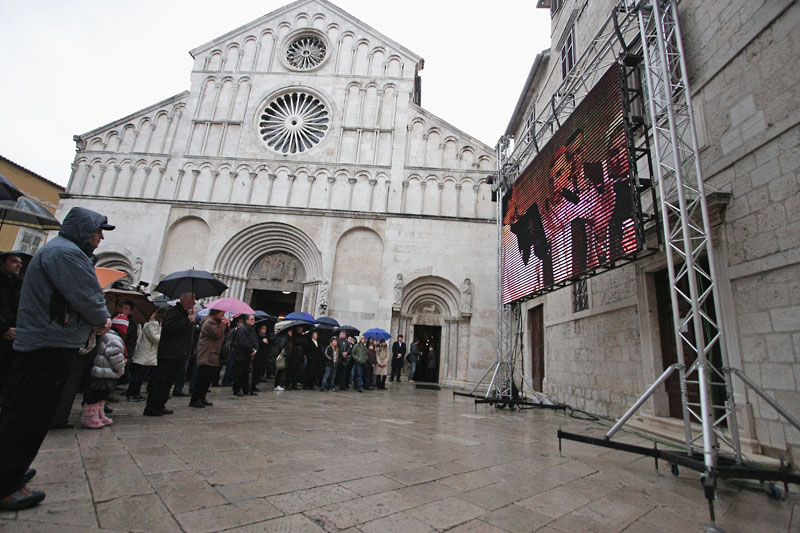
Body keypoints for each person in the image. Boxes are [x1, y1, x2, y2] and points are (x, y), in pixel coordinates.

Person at [0, 206, 113, 511]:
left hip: (42, 341)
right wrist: (102, 317)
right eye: (98, 231)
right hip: (49, 343)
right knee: (31, 414)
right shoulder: (67, 254)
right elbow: (87, 295)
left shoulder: (59, 251)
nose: (100, 238)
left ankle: (9, 467)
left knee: (20, 408)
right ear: (85, 230)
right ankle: (6, 485)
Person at [143, 292, 196, 416]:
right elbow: (169, 327)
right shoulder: (172, 312)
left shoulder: (184, 314)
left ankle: (161, 404)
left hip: (178, 353)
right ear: (186, 300)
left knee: (168, 381)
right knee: (161, 380)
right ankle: (152, 407)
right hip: (169, 352)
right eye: (193, 300)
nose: (194, 303)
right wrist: (187, 320)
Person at [81, 324, 126, 429]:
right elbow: (116, 356)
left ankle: (98, 415)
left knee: (100, 395)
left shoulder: (103, 336)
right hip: (106, 372)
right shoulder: (114, 339)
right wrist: (121, 368)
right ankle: (90, 418)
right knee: (98, 395)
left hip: (100, 371)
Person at [191, 308, 229, 407]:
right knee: (202, 377)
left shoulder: (217, 322)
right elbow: (216, 333)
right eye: (222, 313)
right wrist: (224, 324)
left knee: (207, 378)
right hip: (207, 353)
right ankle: (195, 399)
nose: (223, 314)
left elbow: (223, 334)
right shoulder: (210, 322)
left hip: (214, 353)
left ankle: (202, 397)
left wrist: (226, 326)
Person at [125, 307, 163, 401]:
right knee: (138, 375)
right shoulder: (152, 324)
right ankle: (131, 394)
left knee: (142, 376)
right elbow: (154, 338)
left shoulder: (159, 325)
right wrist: (165, 336)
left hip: (150, 354)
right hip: (144, 353)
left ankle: (136, 393)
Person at [0, 251, 24, 400]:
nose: (19, 265)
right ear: (3, 264)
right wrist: (3, 327)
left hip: (14, 331)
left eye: (20, 263)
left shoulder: (18, 284)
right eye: (14, 262)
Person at [230, 314, 258, 397]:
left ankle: (246, 389)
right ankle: (237, 389)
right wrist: (251, 350)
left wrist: (255, 349)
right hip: (241, 354)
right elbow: (243, 342)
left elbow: (255, 340)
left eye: (253, 319)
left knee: (246, 373)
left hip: (248, 355)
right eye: (252, 319)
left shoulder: (252, 330)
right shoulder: (242, 330)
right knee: (239, 373)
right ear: (247, 320)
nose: (253, 321)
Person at [253, 323, 269, 392]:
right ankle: (252, 385)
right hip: (257, 356)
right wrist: (262, 342)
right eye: (263, 328)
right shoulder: (256, 336)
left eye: (265, 328)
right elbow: (257, 344)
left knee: (259, 371)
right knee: (255, 371)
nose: (265, 330)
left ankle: (255, 384)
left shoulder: (265, 336)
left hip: (263, 357)